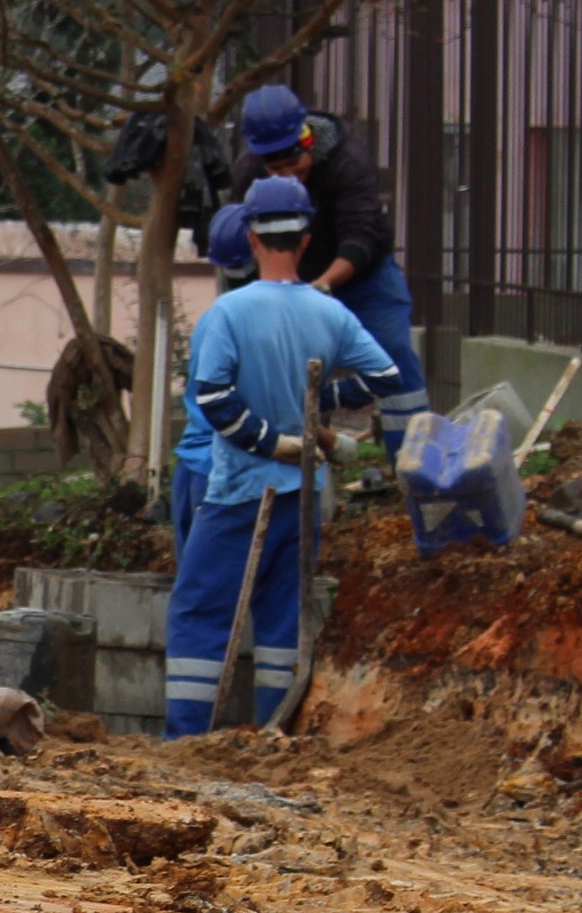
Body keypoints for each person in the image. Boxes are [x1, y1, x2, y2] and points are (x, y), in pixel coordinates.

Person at [165, 176, 405, 736]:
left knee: (200, 610)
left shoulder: (229, 314)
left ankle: (187, 738)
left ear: (252, 237)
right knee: (281, 616)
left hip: (239, 489)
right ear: (305, 239)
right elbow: (385, 377)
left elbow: (214, 398)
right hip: (303, 493)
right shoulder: (330, 313)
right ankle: (275, 733)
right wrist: (316, 407)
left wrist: (268, 442)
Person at [226, 84, 429, 451]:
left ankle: (416, 461)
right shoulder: (247, 175)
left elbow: (361, 236)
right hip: (291, 283)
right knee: (290, 372)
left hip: (363, 278)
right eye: (276, 169)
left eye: (295, 165)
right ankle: (311, 472)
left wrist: (321, 287)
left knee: (393, 354)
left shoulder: (347, 163)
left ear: (307, 142)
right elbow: (244, 243)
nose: (287, 176)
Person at [168, 199, 257, 556]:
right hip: (227, 479)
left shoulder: (213, 319)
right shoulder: (253, 325)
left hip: (192, 469)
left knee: (197, 598)